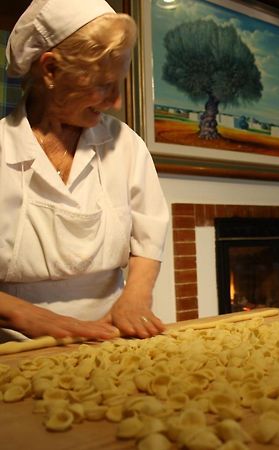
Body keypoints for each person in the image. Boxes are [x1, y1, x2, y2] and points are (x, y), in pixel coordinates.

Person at [0, 0, 170, 340]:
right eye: (104, 84)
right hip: (16, 346)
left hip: (113, 335)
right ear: (50, 70)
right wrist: (28, 317)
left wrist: (134, 299)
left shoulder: (125, 145)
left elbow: (148, 239)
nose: (117, 101)